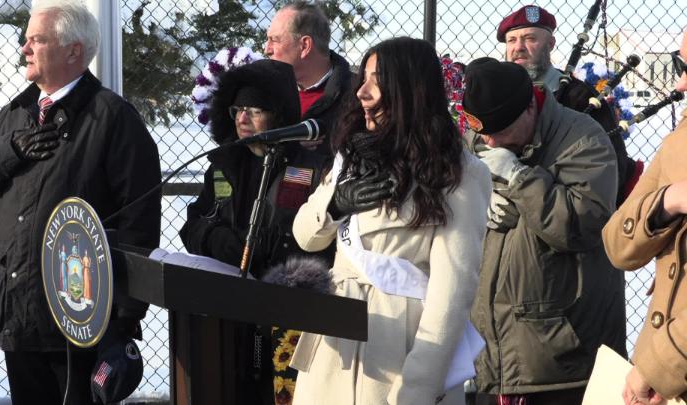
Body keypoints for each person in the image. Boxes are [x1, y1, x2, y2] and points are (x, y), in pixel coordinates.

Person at [0, 0, 161, 404]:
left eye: (36, 40)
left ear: (73, 51)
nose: (24, 48)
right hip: (20, 310)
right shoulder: (14, 115)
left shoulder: (112, 118)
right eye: (26, 40)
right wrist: (10, 150)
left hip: (82, 317)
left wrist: (124, 316)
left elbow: (139, 219)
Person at [289, 37, 492, 405]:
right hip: (332, 352)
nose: (362, 92)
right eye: (363, 78)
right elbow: (305, 237)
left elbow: (452, 293)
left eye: (377, 81)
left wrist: (417, 388)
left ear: (411, 90)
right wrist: (335, 205)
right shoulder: (352, 155)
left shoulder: (459, 173)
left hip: (399, 354)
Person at [463, 58, 626, 405]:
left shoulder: (582, 138)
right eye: (483, 132)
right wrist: (477, 196)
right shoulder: (483, 137)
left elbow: (582, 226)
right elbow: (451, 193)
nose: (490, 142)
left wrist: (520, 178)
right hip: (492, 355)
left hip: (558, 358)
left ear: (528, 109)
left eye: (500, 131)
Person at [179, 59, 333, 405]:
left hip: (288, 313)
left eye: (254, 110)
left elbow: (319, 239)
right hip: (227, 309)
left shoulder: (310, 168)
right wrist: (217, 240)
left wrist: (272, 251)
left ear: (278, 115)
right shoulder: (224, 164)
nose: (242, 119)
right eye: (237, 110)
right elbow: (194, 223)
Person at [602, 29, 687, 405]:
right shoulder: (681, 138)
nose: (681, 83)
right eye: (681, 65)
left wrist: (656, 369)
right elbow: (616, 244)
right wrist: (667, 202)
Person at [498, 4, 636, 206]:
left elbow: (613, 170)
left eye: (530, 39)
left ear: (550, 44)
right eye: (512, 40)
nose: (518, 47)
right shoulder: (499, 95)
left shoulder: (580, 98)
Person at [265, 0, 353, 154]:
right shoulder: (266, 93)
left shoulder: (358, 96)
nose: (267, 49)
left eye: (275, 40)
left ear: (305, 46)